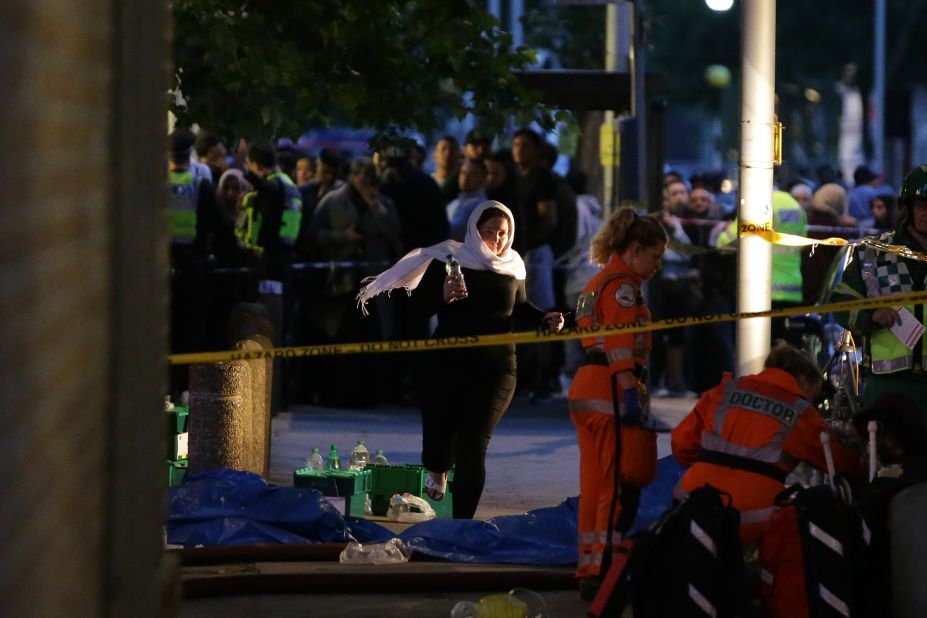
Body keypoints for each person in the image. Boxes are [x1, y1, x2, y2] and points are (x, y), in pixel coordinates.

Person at [357, 201, 564, 519]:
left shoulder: (513, 265)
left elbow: (519, 306)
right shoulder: (449, 258)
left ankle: (463, 525)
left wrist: (545, 319)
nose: (496, 240)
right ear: (474, 230)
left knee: (473, 443)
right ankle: (437, 468)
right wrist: (441, 295)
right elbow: (414, 310)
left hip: (497, 368)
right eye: (490, 232)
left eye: (503, 233)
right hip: (447, 364)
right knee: (439, 440)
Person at [569, 208, 667, 597]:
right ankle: (604, 570)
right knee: (613, 485)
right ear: (635, 249)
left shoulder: (597, 282)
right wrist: (629, 387)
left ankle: (588, 565)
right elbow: (619, 343)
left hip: (586, 391)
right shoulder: (623, 286)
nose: (658, 265)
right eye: (655, 256)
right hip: (609, 389)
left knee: (593, 484)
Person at [671, 344, 860, 545]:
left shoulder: (724, 391)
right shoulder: (800, 411)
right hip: (752, 515)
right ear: (803, 381)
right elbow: (838, 463)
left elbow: (681, 446)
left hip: (691, 499)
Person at [831, 164, 927, 425]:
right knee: (884, 464)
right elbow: (839, 303)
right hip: (887, 386)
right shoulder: (874, 253)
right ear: (908, 208)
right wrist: (870, 314)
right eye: (921, 205)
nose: (926, 214)